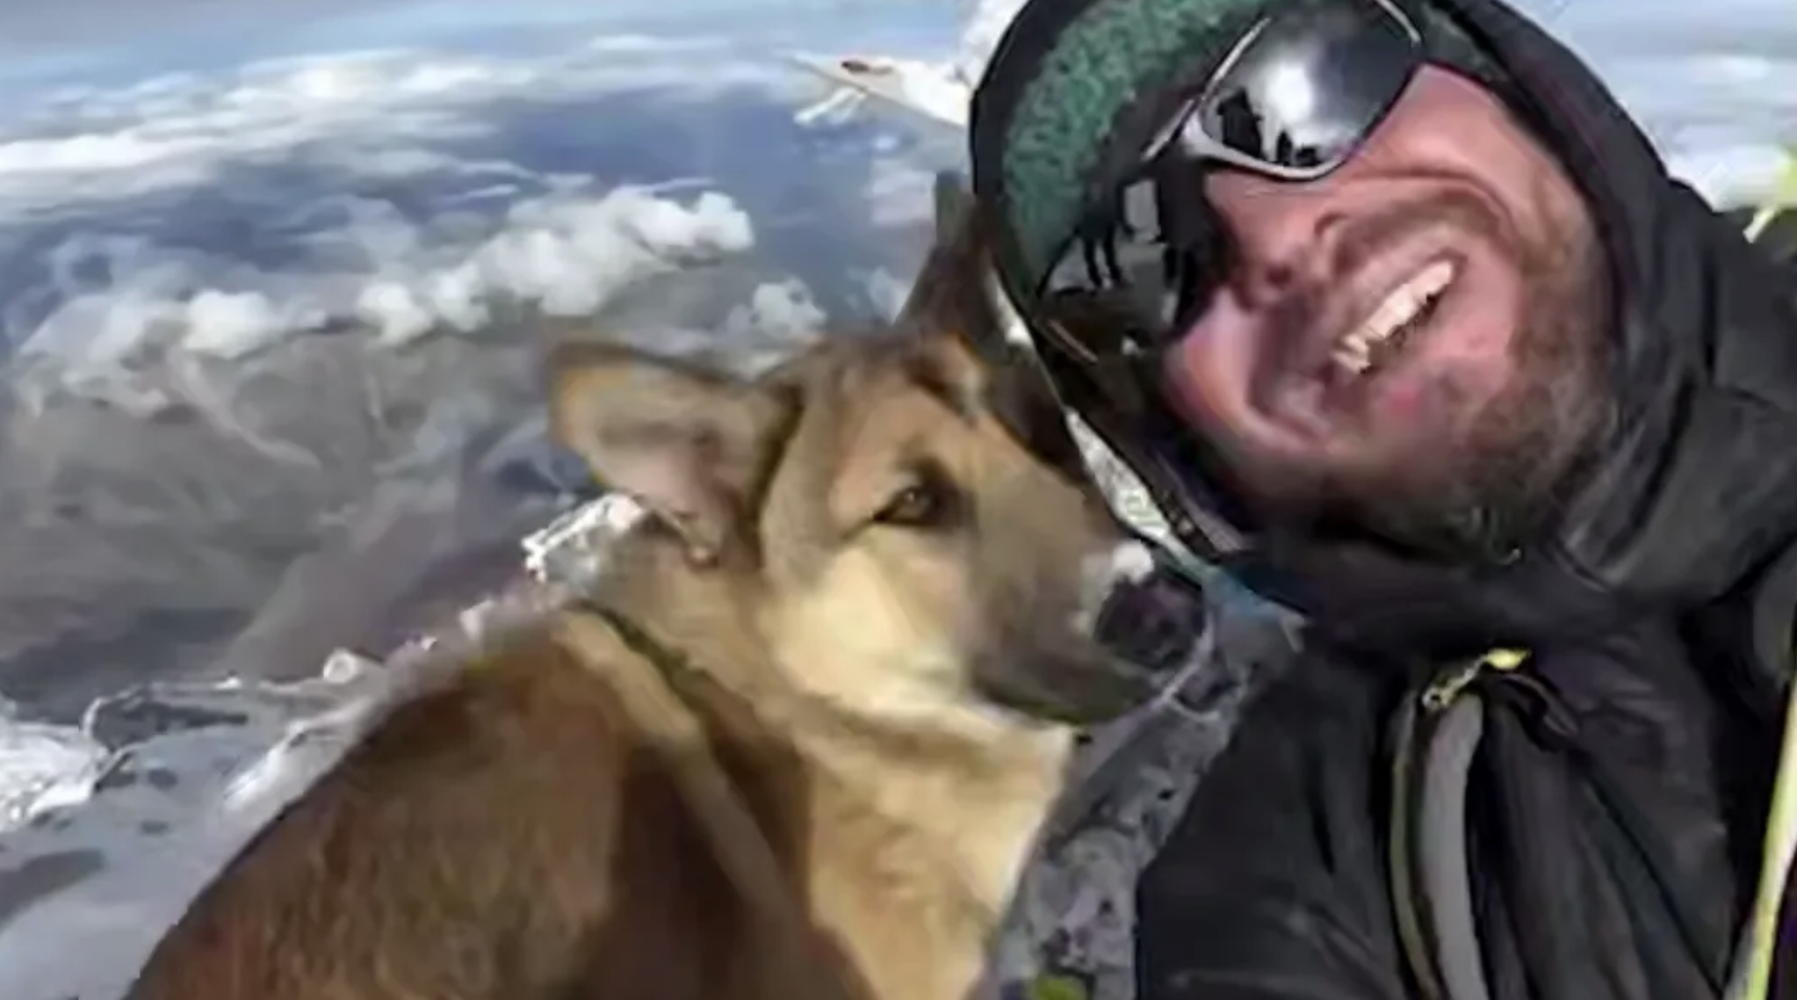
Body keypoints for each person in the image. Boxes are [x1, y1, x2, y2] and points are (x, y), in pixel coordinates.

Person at [963, 0, 1797, 998]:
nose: (1275, 236)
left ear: (1498, 78)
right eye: (1141, 259)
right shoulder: (1298, 878)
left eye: (1316, 73)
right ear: (1174, 443)